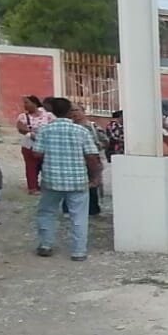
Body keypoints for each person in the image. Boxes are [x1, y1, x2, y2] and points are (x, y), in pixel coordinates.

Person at [31, 97, 101, 261]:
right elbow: (91, 156)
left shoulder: (45, 130)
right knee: (79, 216)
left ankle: (46, 244)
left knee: (47, 212)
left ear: (52, 111)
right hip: (77, 180)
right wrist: (95, 176)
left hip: (52, 179)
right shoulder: (81, 131)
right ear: (69, 112)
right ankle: (79, 251)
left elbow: (37, 153)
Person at [15, 96, 52, 192]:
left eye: (27, 102)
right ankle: (33, 187)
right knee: (31, 167)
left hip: (46, 145)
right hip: (29, 145)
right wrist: (30, 133)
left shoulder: (47, 115)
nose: (25, 105)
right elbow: (20, 128)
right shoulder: (23, 116)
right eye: (24, 103)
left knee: (46, 165)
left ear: (34, 103)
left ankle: (47, 185)